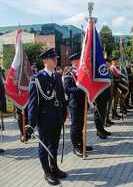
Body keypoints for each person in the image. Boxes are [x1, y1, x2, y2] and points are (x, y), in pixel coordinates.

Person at [26, 48, 68, 186]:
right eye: (53, 58)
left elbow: (61, 98)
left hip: (57, 118)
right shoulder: (37, 79)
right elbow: (33, 103)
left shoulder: (57, 76)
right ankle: (47, 172)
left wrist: (64, 113)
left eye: (56, 58)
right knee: (44, 146)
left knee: (54, 145)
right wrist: (31, 124)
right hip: (44, 120)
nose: (56, 60)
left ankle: (54, 167)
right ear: (45, 61)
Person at [63, 52, 93, 158]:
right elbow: (67, 89)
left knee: (81, 125)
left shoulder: (82, 72)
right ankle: (76, 147)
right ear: (73, 62)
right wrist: (81, 89)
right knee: (75, 126)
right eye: (78, 60)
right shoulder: (69, 73)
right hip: (74, 103)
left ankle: (81, 144)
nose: (81, 61)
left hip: (83, 103)